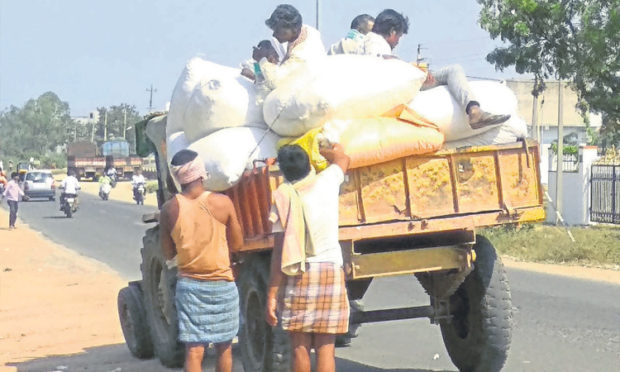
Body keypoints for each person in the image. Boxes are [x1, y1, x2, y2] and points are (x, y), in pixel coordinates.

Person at [266, 144, 351, 372]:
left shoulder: (282, 197)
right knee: (326, 348)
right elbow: (343, 158)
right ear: (309, 164)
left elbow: (279, 252)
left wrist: (272, 295)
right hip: (331, 271)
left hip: (298, 273)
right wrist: (324, 149)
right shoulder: (328, 181)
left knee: (300, 348)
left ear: (283, 172)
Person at [160, 149, 243, 372]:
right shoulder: (223, 203)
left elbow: (168, 254)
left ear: (178, 178)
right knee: (224, 346)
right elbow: (238, 244)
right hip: (222, 284)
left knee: (194, 349)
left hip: (189, 287)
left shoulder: (169, 209)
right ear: (201, 173)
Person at [359, 9, 510, 129]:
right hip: (397, 90)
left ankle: (473, 110)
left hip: (400, 87)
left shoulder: (370, 41)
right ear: (392, 32)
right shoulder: (375, 41)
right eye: (398, 36)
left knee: (449, 81)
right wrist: (415, 72)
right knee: (453, 71)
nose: (398, 41)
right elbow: (383, 64)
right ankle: (474, 111)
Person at [252, 4, 326, 90]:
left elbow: (277, 83)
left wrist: (262, 59)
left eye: (278, 31)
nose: (274, 35)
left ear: (294, 29)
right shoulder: (307, 31)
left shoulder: (301, 53)